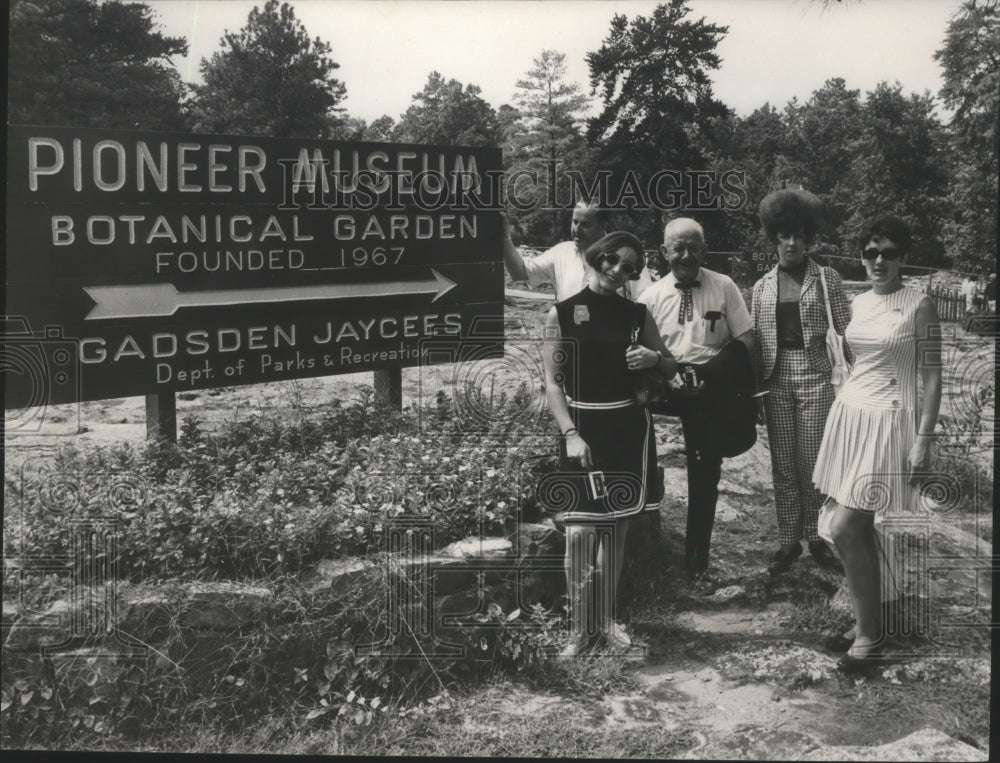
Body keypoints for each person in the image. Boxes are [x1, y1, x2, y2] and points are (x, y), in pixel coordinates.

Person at [812, 216, 942, 672]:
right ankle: (869, 619)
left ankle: (869, 638)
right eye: (870, 253)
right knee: (861, 529)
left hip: (890, 421)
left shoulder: (919, 305)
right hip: (852, 415)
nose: (879, 261)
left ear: (904, 256)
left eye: (888, 252)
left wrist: (923, 439)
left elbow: (931, 377)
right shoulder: (859, 301)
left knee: (846, 528)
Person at [540, 231, 676, 657]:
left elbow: (670, 363)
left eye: (630, 267)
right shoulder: (561, 313)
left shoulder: (637, 313)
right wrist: (570, 435)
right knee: (579, 533)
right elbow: (552, 385)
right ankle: (578, 631)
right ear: (598, 256)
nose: (618, 271)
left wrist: (653, 359)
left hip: (627, 429)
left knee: (615, 531)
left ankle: (606, 621)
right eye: (613, 260)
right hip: (583, 430)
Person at [638, 218, 754, 578]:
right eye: (678, 248)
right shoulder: (649, 297)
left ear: (704, 250)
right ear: (664, 252)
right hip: (665, 386)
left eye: (694, 248)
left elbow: (746, 341)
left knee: (704, 473)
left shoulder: (724, 286)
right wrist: (666, 377)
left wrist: (709, 374)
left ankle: (695, 563)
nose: (686, 255)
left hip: (709, 387)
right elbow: (637, 351)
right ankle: (644, 549)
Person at [751, 189, 850, 576]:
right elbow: (757, 344)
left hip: (816, 376)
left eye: (799, 236)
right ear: (774, 238)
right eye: (784, 236)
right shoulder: (761, 287)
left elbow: (845, 331)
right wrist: (756, 393)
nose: (792, 243)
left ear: (809, 239)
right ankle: (788, 541)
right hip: (776, 381)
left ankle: (819, 539)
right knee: (783, 466)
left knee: (814, 463)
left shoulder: (826, 278)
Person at [501, 200, 641, 301]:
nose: (577, 229)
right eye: (575, 222)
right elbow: (520, 272)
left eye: (585, 224)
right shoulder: (561, 252)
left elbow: (645, 300)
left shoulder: (626, 255)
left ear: (602, 226)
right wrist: (504, 237)